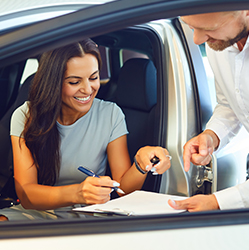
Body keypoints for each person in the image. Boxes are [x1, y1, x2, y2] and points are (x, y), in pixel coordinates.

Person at [0, 38, 171, 221]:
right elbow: (27, 194)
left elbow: (123, 190)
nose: (88, 89)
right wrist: (78, 193)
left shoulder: (111, 114)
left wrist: (140, 164)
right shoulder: (26, 115)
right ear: (53, 83)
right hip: (37, 212)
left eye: (94, 78)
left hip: (89, 216)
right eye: (74, 82)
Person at [168, 10, 249, 212]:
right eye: (191, 27)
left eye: (208, 28)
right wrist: (211, 136)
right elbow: (230, 104)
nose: (197, 40)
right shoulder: (218, 43)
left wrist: (217, 202)